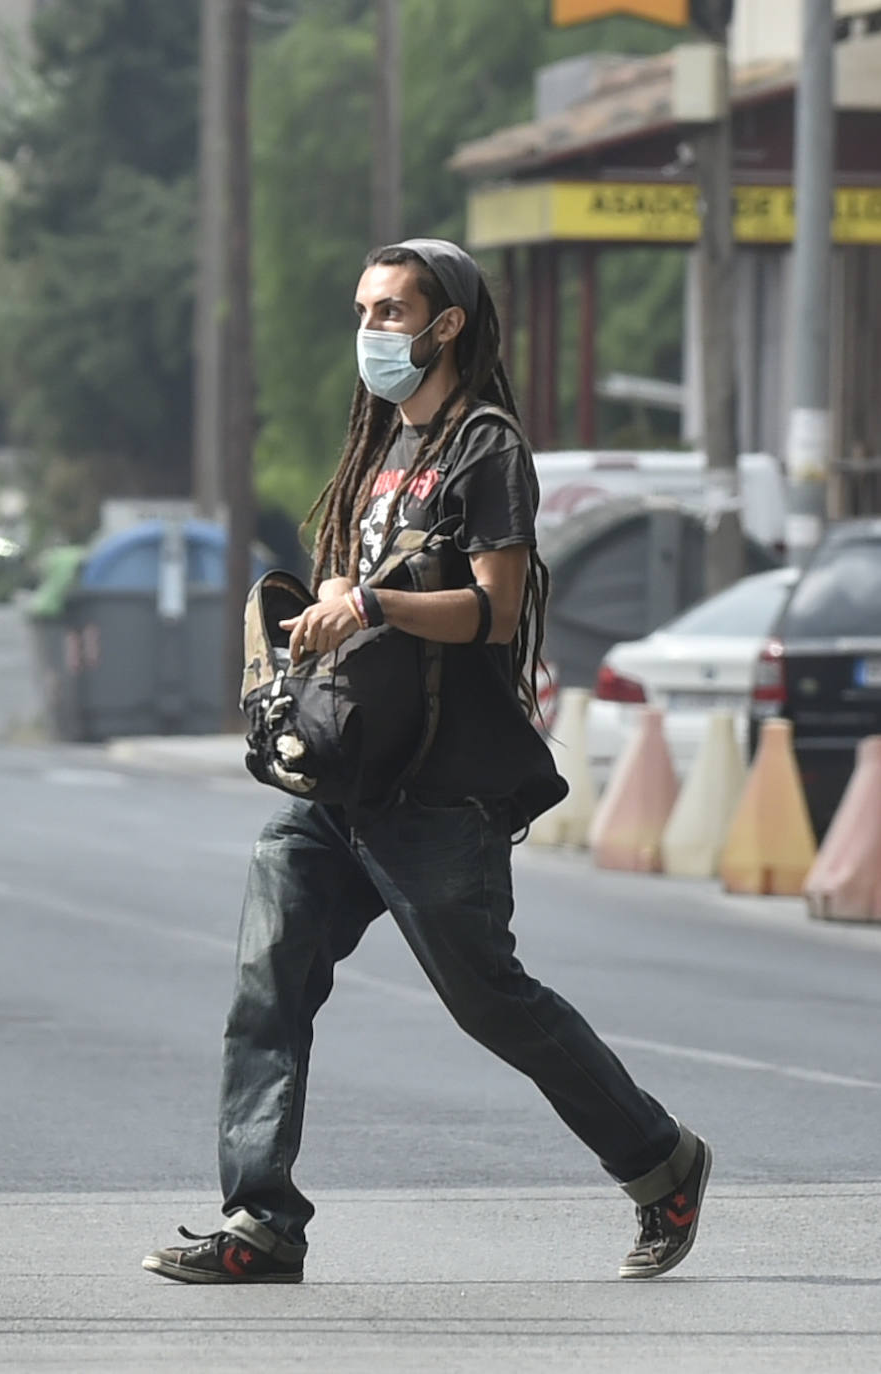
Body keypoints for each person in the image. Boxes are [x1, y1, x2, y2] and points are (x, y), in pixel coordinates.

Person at [143, 238, 711, 1286]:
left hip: (439, 791)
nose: (372, 331)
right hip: (344, 782)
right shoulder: (375, 451)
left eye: (393, 312)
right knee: (267, 985)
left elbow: (492, 615)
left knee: (487, 1000)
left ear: (445, 324)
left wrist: (371, 602)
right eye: (364, 310)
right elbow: (342, 607)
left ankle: (657, 1159)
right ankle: (260, 1220)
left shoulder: (484, 447)